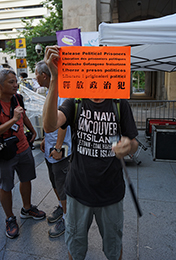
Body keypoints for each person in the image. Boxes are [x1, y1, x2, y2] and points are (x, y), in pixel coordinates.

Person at [43, 45, 139, 260]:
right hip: (78, 192)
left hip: (111, 193)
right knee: (75, 248)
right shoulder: (75, 102)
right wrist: (54, 80)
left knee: (113, 248)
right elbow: (49, 125)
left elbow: (134, 143)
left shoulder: (119, 104)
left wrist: (128, 146)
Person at [0, 68, 46, 239]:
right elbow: (14, 119)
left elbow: (23, 115)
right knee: (6, 186)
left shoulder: (17, 98)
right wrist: (12, 119)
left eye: (15, 81)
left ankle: (27, 208)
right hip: (5, 152)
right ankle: (9, 218)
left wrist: (32, 130)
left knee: (26, 178)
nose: (15, 84)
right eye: (11, 82)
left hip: (23, 147)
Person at [35, 60, 71, 238]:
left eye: (36, 74)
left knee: (62, 184)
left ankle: (67, 217)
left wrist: (58, 147)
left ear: (44, 75)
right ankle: (61, 205)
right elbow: (47, 120)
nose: (35, 77)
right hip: (50, 146)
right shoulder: (51, 90)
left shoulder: (63, 92)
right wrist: (44, 139)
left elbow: (63, 125)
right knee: (54, 181)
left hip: (61, 149)